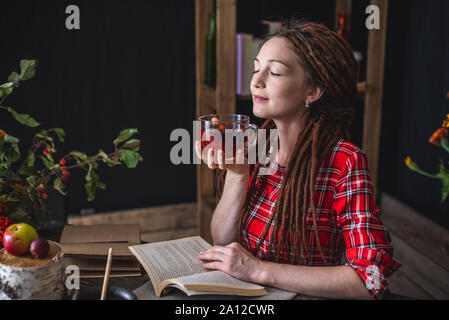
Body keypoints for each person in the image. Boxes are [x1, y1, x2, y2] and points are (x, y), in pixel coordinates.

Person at [194, 19, 401, 300]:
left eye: (275, 72)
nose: (256, 80)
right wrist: (238, 174)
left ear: (313, 91)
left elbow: (371, 278)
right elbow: (223, 242)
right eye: (256, 68)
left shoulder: (344, 161)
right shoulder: (255, 146)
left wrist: (260, 270)